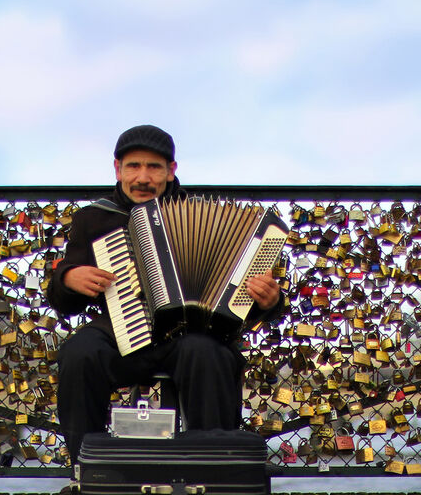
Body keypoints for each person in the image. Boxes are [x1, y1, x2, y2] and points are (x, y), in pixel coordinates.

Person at [46, 124, 283, 469]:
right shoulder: (95, 218)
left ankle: (216, 470)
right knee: (80, 354)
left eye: (154, 167)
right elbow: (63, 302)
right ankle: (87, 469)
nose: (143, 177)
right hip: (120, 334)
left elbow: (246, 307)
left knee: (209, 352)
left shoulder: (206, 218)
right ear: (118, 169)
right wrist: (67, 278)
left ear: (171, 171)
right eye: (133, 166)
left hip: (189, 337)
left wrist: (270, 301)